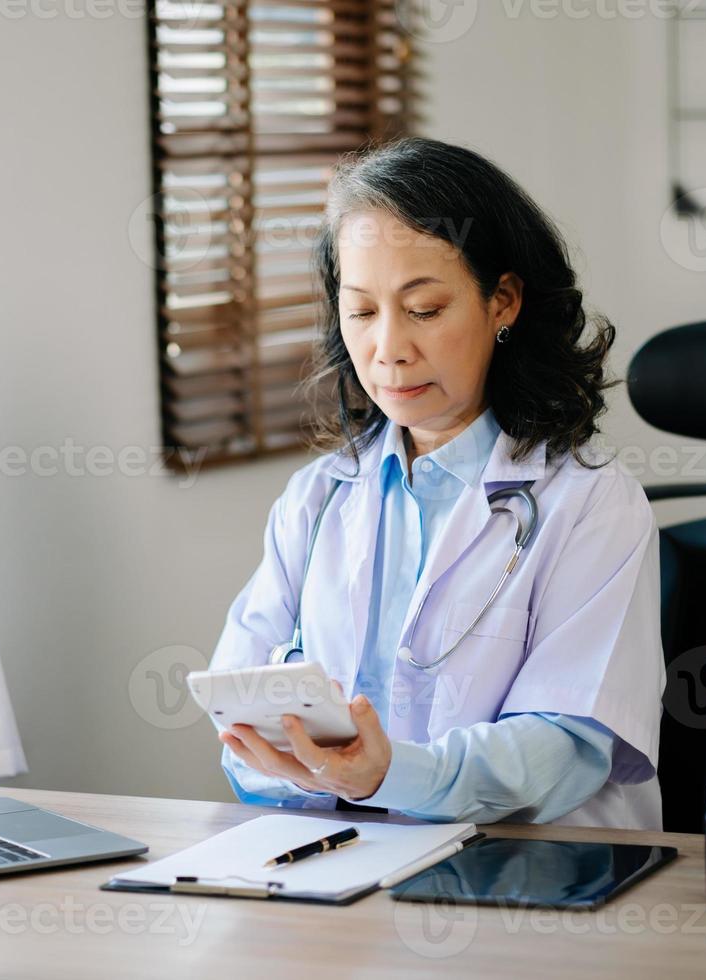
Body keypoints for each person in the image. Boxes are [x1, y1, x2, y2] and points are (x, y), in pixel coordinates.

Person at [209, 137, 665, 830]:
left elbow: (570, 748)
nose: (388, 347)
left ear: (502, 302)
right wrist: (304, 768)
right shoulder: (316, 500)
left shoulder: (590, 504)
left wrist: (395, 775)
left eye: (423, 310)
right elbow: (237, 712)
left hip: (532, 885)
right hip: (353, 872)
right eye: (361, 312)